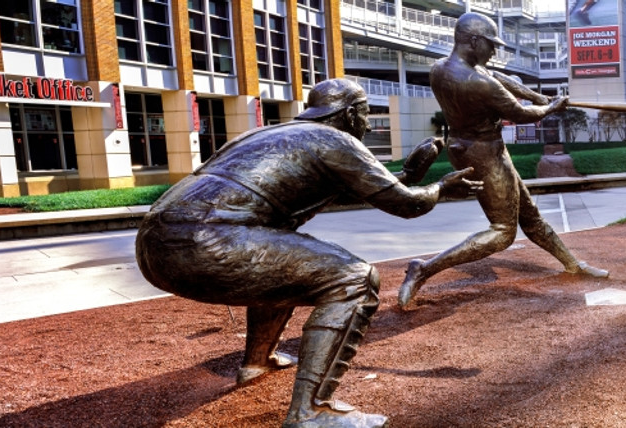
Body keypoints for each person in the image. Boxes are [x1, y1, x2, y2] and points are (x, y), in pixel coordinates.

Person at [135, 78, 480, 428]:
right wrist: (441, 187)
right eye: (364, 114)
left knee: (282, 262)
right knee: (354, 280)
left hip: (154, 245)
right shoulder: (336, 139)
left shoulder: (270, 134)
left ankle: (257, 361)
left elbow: (355, 189)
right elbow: (407, 206)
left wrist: (408, 172)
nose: (365, 123)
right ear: (350, 113)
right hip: (207, 243)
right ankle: (311, 411)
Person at [399, 12, 608, 308]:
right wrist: (550, 108)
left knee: (529, 214)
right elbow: (520, 114)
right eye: (490, 44)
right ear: (473, 41)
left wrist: (538, 97)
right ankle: (424, 268)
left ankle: (573, 263)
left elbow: (500, 77)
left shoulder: (440, 69)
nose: (494, 50)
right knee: (503, 232)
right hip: (483, 153)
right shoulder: (476, 82)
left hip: (467, 146)